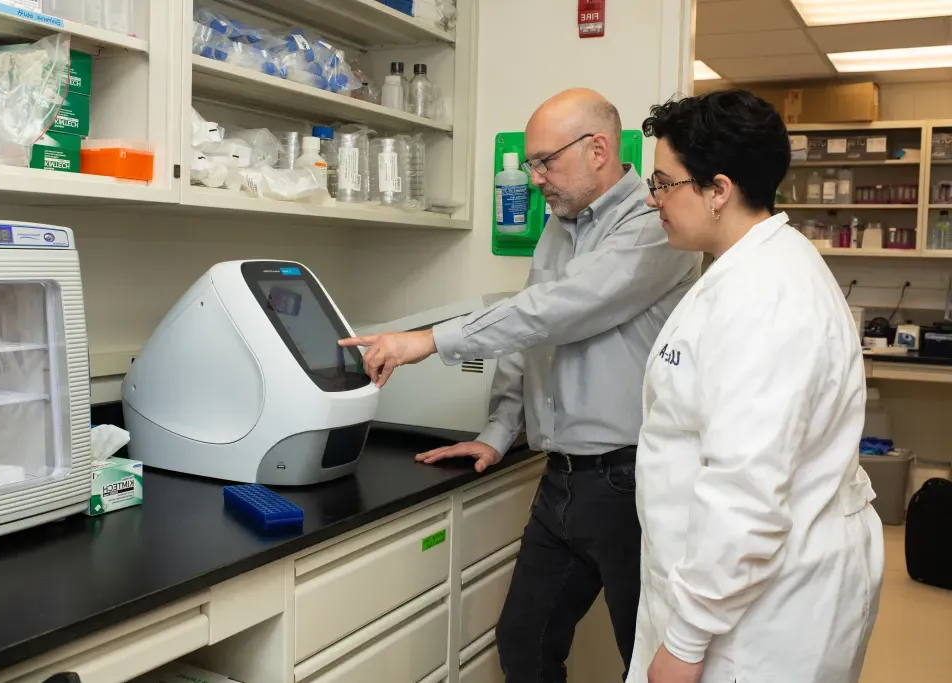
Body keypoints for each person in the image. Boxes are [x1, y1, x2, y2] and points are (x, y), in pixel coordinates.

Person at [339, 88, 701, 682]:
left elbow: (562, 309)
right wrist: (499, 430)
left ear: (598, 150)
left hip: (628, 482)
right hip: (559, 477)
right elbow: (528, 324)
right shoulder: (560, 226)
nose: (535, 179)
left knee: (647, 657)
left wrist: (429, 339)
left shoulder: (655, 225)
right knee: (524, 643)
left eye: (545, 162)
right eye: (531, 164)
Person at [631, 89, 884, 683]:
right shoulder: (747, 270)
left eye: (665, 183)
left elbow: (746, 487)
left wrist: (688, 639)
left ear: (718, 189)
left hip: (761, 615)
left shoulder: (765, 299)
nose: (653, 198)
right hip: (735, 594)